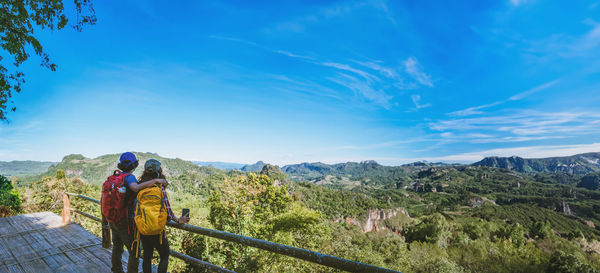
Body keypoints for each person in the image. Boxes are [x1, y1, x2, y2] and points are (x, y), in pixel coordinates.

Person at [110, 152, 167, 273]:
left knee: (117, 247)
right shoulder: (130, 177)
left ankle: (116, 270)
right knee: (134, 251)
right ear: (134, 165)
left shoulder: (116, 177)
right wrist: (157, 180)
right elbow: (135, 188)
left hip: (113, 219)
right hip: (126, 220)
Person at [137, 159, 189, 273]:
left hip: (144, 229)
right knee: (164, 256)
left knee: (147, 257)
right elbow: (167, 208)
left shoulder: (140, 186)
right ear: (158, 171)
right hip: (158, 230)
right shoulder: (159, 187)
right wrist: (178, 220)